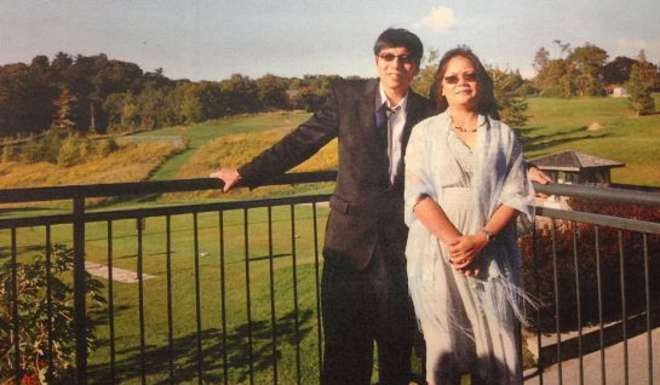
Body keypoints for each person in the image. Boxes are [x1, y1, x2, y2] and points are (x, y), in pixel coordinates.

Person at [212, 28, 434, 385]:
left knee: (397, 347)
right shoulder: (347, 97)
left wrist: (522, 163)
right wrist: (246, 173)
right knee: (345, 352)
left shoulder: (428, 110)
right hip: (348, 247)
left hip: (402, 248)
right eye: (388, 57)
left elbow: (468, 133)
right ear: (377, 62)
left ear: (416, 67)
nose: (396, 65)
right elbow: (303, 140)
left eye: (405, 58)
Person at [404, 47, 534, 385]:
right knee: (444, 349)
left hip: (491, 253)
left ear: (481, 83)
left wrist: (481, 239)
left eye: (470, 75)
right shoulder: (425, 133)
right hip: (439, 255)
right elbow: (418, 195)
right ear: (441, 88)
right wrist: (456, 245)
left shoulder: (503, 135)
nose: (462, 82)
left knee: (498, 349)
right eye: (452, 78)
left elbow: (516, 193)